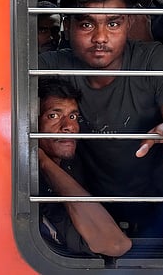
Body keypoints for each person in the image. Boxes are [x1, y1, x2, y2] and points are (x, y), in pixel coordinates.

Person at [39, 0, 163, 236]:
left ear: (128, 24)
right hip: (93, 213)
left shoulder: (154, 59)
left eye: (113, 23)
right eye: (86, 24)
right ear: (67, 25)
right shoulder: (51, 67)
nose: (100, 38)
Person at [38, 77, 131, 257]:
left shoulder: (72, 162)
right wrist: (43, 162)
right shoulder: (31, 182)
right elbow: (115, 244)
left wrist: (45, 161)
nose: (69, 127)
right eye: (54, 116)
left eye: (73, 116)